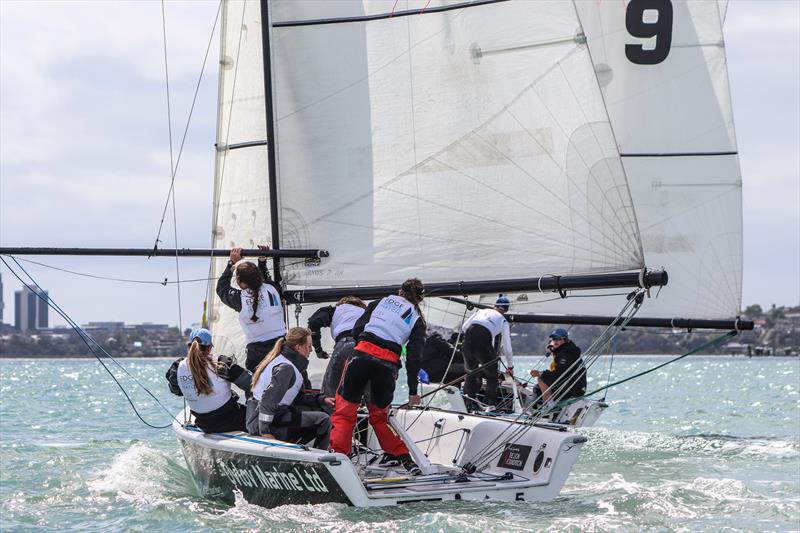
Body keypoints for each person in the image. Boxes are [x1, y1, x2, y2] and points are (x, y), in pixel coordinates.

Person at [329, 279, 426, 475]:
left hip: (361, 357)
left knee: (345, 413)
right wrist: (413, 392)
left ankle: (339, 458)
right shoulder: (417, 319)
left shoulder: (381, 301)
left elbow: (357, 330)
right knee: (379, 418)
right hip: (387, 367)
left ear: (400, 291)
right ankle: (405, 459)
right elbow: (414, 358)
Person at [246, 327, 334, 449]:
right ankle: (317, 456)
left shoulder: (288, 364)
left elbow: (296, 397)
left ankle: (299, 449)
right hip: (262, 422)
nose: (311, 350)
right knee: (323, 420)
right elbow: (268, 399)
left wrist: (321, 400)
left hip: (274, 416)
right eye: (309, 346)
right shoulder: (286, 369)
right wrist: (265, 432)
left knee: (319, 414)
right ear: (298, 347)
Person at [216, 245, 287, 372]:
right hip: (283, 347)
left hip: (257, 354)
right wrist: (262, 261)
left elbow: (222, 289)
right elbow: (264, 281)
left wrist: (231, 264)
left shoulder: (239, 299)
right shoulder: (273, 288)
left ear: (239, 281)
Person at [169, 328, 247, 433]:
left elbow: (176, 391)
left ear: (189, 346)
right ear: (209, 348)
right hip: (233, 422)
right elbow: (251, 384)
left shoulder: (177, 367)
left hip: (203, 424)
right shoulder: (221, 363)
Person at [460, 295, 514, 412]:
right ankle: (491, 405)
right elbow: (508, 348)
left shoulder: (482, 311)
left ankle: (468, 403)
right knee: (492, 375)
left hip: (467, 340)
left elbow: (464, 327)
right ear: (506, 310)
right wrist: (510, 366)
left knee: (471, 373)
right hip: (483, 342)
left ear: (494, 306)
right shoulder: (504, 321)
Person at [307, 296, 368, 398]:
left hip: (345, 343)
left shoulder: (336, 310)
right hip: (367, 346)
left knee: (330, 390)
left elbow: (314, 322)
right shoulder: (367, 313)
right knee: (369, 389)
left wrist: (318, 350)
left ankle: (328, 411)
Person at [529, 328, 586, 402]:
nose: (555, 341)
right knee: (537, 388)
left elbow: (559, 374)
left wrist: (540, 373)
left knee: (542, 378)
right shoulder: (561, 350)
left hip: (574, 389)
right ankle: (536, 410)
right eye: (553, 338)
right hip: (567, 384)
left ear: (565, 340)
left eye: (558, 339)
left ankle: (547, 407)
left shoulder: (567, 353)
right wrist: (553, 351)